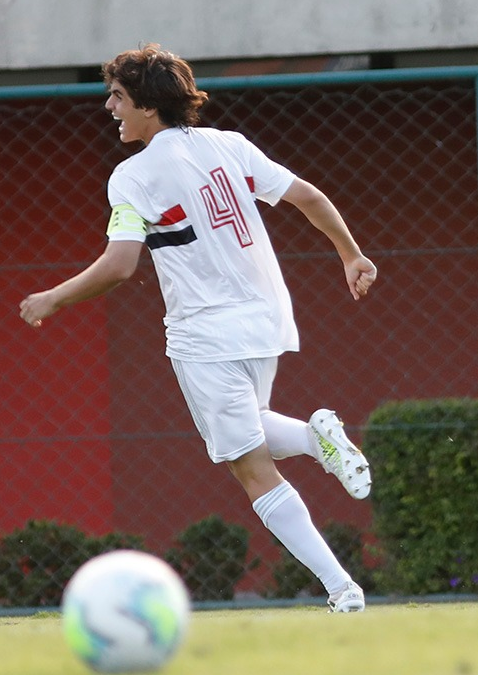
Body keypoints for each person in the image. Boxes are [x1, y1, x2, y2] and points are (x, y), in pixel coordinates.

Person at [19, 45, 376, 612]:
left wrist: (53, 298)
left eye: (118, 96)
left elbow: (120, 265)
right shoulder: (228, 144)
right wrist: (351, 255)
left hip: (205, 332)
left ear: (148, 106)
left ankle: (341, 587)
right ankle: (316, 441)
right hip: (267, 318)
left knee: (250, 469)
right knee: (253, 428)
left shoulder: (131, 176)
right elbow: (305, 195)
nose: (109, 105)